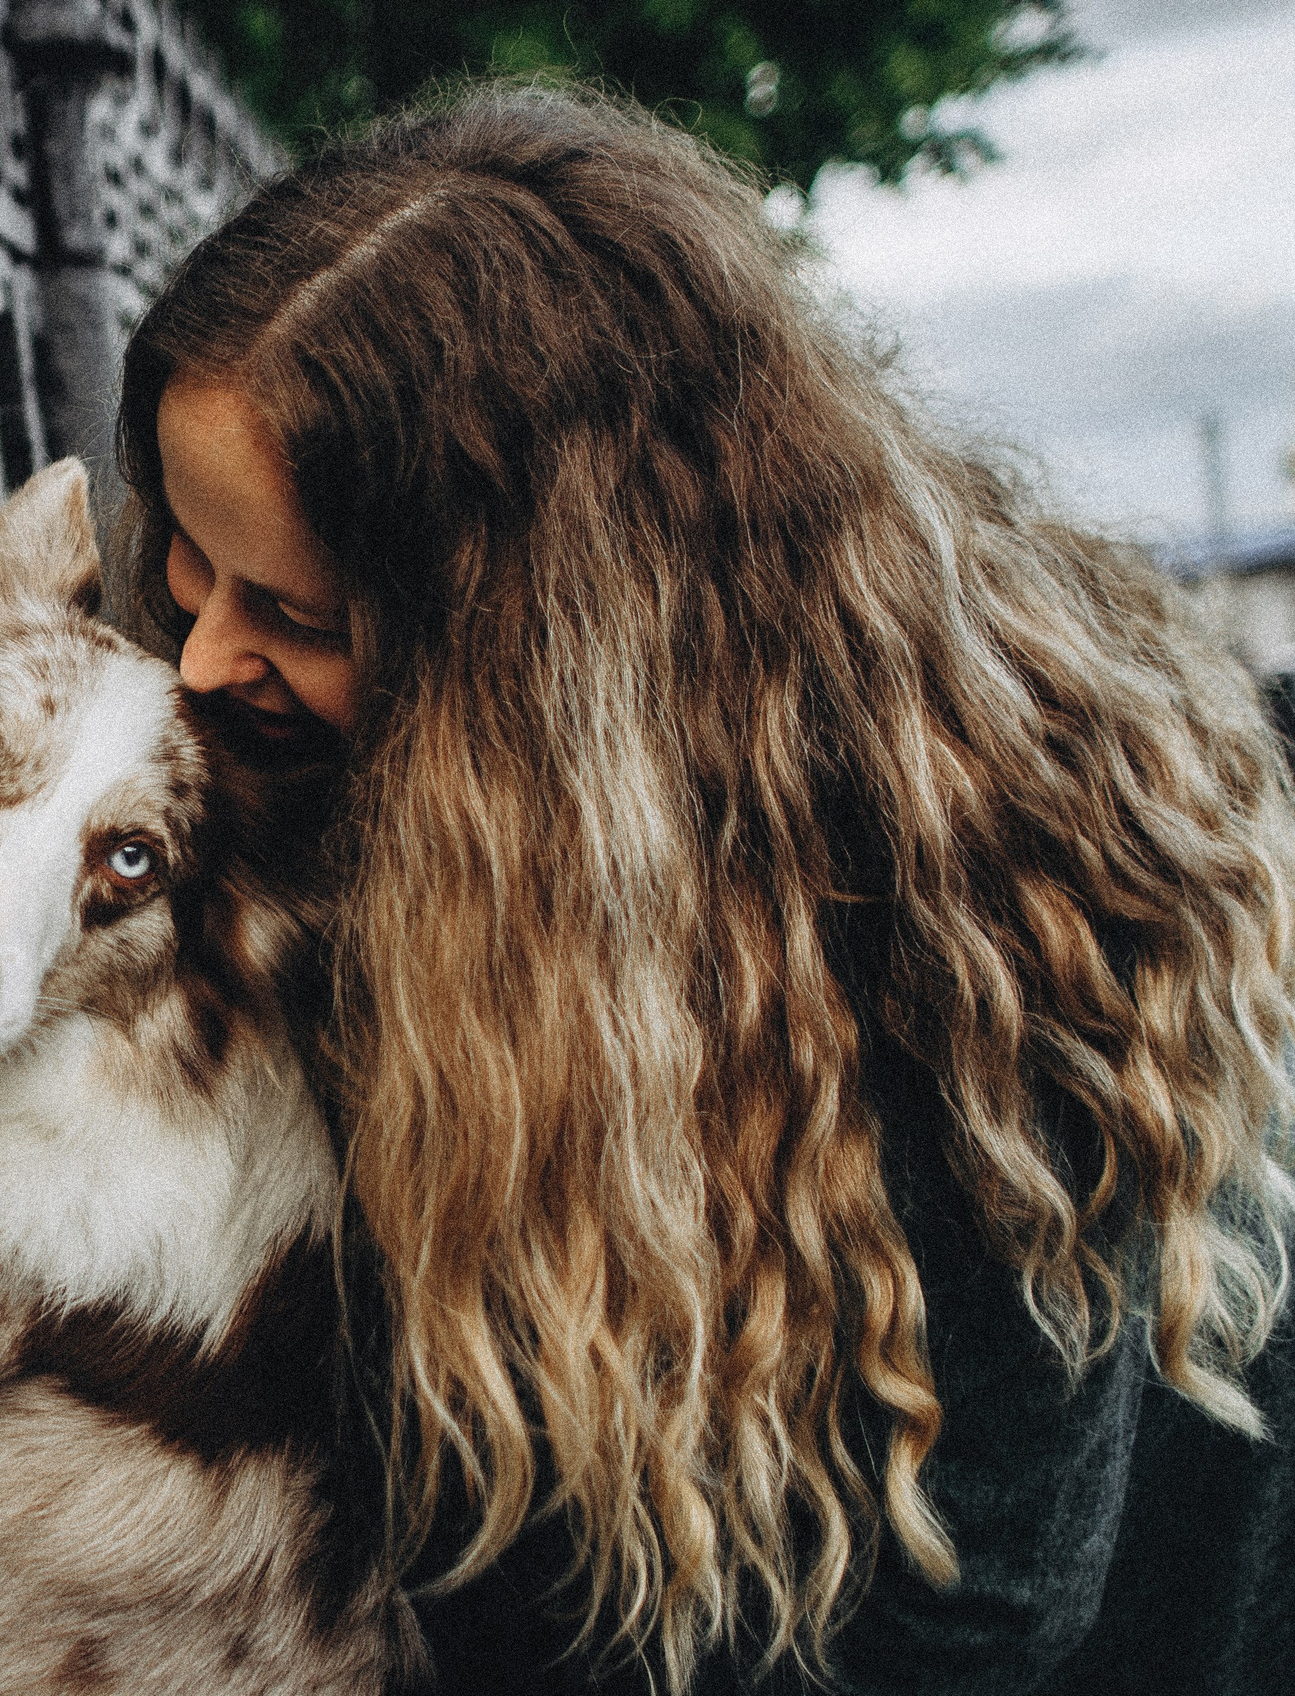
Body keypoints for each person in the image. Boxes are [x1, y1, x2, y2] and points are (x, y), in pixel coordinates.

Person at [109, 83, 1295, 1695]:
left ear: (532, 657)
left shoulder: (984, 911)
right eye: (189, 557)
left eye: (297, 612)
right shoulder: (390, 806)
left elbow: (976, 1613)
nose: (200, 654)